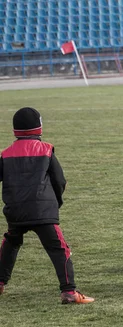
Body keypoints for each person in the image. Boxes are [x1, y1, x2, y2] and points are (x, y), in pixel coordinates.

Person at [0, 107, 94, 304]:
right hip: (43, 211)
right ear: (39, 127)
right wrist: (56, 203)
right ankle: (69, 292)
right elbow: (59, 181)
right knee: (60, 249)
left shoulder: (5, 154)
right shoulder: (46, 150)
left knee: (11, 242)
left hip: (15, 213)